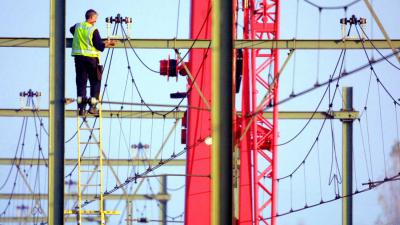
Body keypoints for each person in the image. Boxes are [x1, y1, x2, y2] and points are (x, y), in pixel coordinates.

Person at [70, 9, 116, 116]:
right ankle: (92, 106)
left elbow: (71, 30)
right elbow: (99, 46)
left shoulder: (78, 26)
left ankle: (81, 108)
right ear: (91, 17)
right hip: (91, 59)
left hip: (79, 59)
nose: (96, 21)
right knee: (95, 81)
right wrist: (107, 43)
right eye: (95, 18)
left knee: (81, 82)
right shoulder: (93, 29)